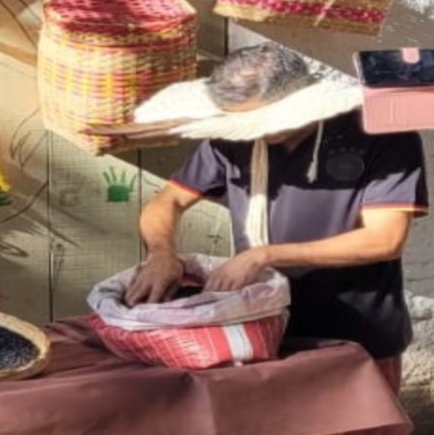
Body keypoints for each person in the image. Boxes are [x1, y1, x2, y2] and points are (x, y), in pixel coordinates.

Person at [125, 43, 428, 401]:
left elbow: (384, 239)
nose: (257, 132)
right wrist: (161, 253)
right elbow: (169, 200)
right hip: (261, 326)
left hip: (355, 331)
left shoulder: (381, 136)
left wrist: (263, 255)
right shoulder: (232, 140)